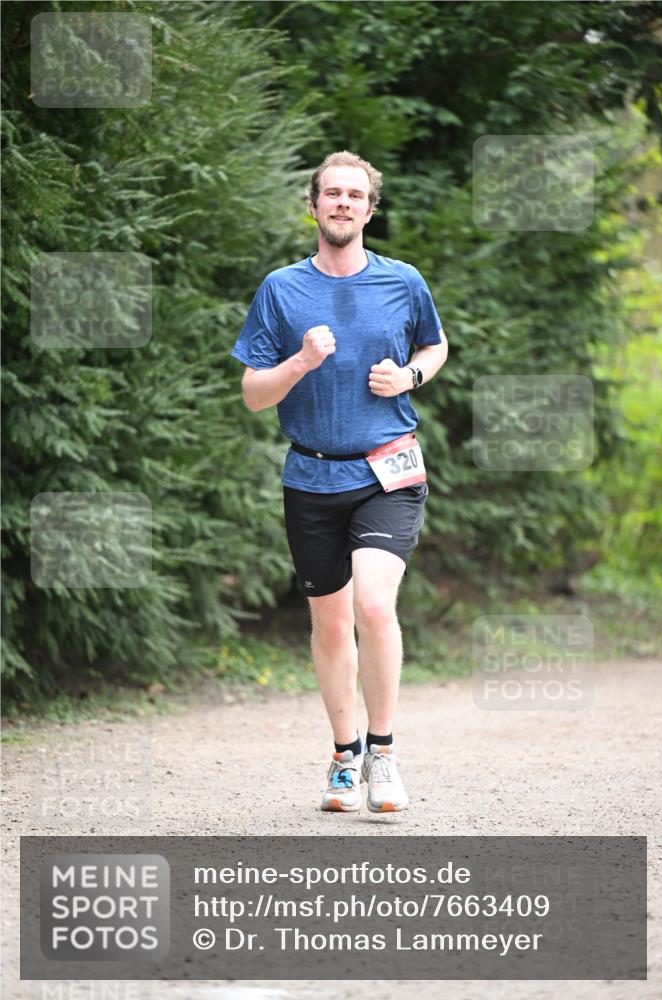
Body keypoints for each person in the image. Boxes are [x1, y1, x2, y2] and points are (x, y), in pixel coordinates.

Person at [230, 150, 448, 813]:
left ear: (370, 209)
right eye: (332, 193)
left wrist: (409, 376)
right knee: (330, 625)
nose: (343, 203)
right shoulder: (281, 289)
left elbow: (434, 344)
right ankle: (343, 756)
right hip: (311, 474)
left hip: (387, 467)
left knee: (374, 607)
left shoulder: (402, 281)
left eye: (355, 195)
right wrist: (299, 361)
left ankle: (383, 754)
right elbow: (253, 395)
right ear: (313, 204)